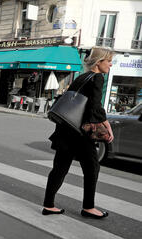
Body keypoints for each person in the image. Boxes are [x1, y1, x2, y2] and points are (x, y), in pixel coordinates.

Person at [42, 47, 115, 219]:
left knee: (59, 168)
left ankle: (48, 204)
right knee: (92, 167)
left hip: (66, 128)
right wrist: (107, 125)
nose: (111, 65)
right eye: (109, 61)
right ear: (99, 62)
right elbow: (95, 107)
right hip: (79, 132)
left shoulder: (81, 77)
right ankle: (88, 207)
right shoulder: (97, 78)